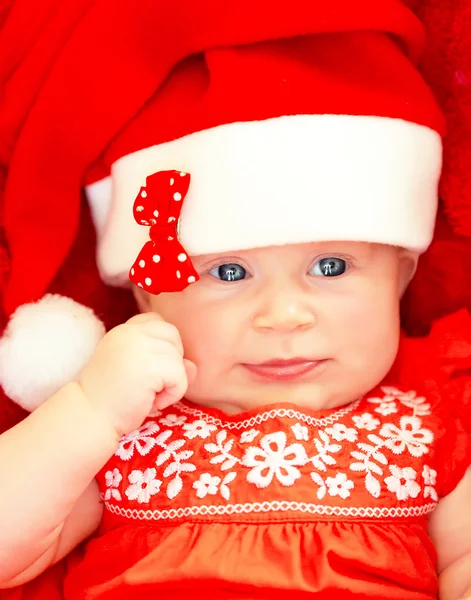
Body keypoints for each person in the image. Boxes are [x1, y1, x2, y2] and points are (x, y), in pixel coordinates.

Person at [0, 1, 470, 598]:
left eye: (330, 267)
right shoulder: (124, 435)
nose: (283, 316)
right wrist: (90, 410)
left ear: (400, 279)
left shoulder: (428, 427)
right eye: (227, 272)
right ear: (149, 294)